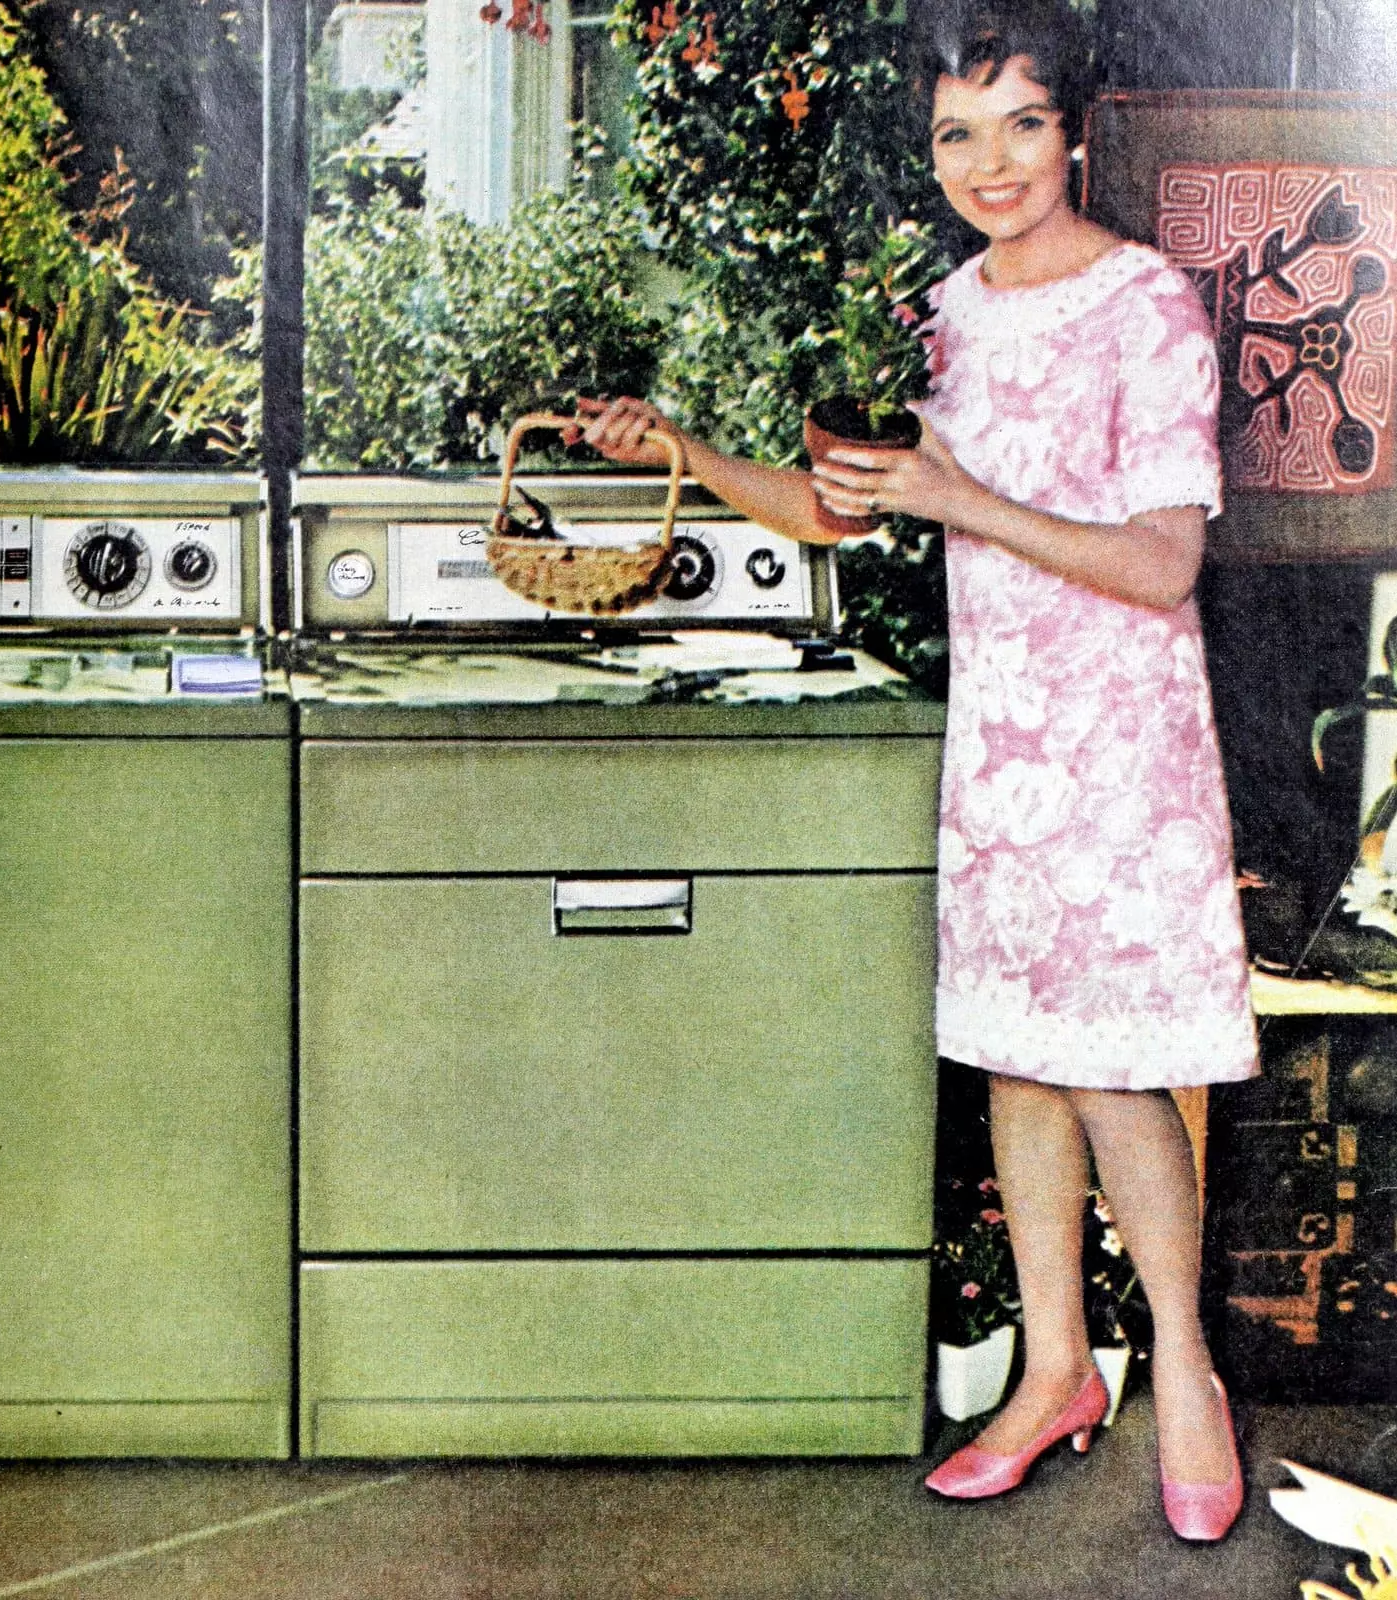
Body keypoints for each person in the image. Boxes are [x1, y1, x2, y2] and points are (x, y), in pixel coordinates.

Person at [573, 0, 1259, 1544]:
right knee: (1018, 1057)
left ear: (1073, 128)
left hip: (1121, 757)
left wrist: (966, 490)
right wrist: (678, 450)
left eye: (1020, 122)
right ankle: (1054, 1373)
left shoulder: (1148, 309)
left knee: (1110, 1067)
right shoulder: (944, 314)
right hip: (1001, 752)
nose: (992, 161)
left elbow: (1161, 562)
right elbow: (840, 514)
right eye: (959, 132)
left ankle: (1188, 1371)